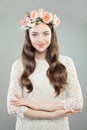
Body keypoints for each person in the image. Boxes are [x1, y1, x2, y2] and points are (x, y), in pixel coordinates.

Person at [7, 8, 83, 130]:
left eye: (45, 33)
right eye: (34, 34)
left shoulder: (66, 62)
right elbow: (13, 108)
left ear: (52, 34)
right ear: (28, 36)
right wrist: (52, 114)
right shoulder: (18, 65)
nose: (40, 39)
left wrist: (33, 105)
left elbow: (77, 103)